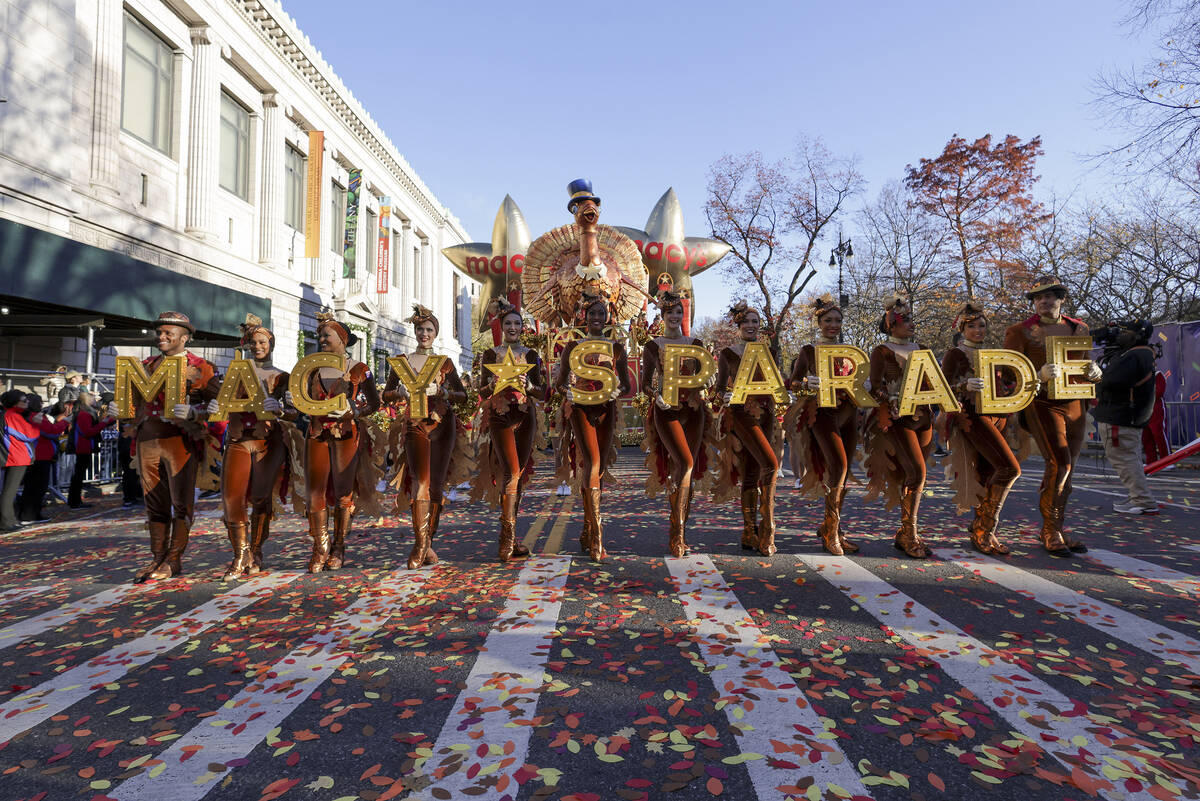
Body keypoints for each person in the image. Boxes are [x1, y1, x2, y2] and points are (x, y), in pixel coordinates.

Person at [106, 311, 221, 581]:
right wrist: (114, 408)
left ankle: (174, 559)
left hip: (181, 441)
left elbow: (220, 406)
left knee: (181, 503)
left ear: (185, 337)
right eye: (160, 332)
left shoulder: (202, 367)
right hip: (147, 440)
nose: (162, 337)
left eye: (169, 332)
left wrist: (195, 412)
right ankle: (157, 557)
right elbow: (130, 404)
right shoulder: (145, 366)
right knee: (154, 503)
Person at [1003, 275, 1102, 557]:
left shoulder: (1078, 327)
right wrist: (1036, 374)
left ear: (1061, 299)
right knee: (1059, 462)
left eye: (1049, 296)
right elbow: (1008, 372)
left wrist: (1095, 372)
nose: (1043, 301)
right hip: (1041, 402)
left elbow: (1082, 364)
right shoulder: (1018, 331)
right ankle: (1050, 531)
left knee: (1068, 467)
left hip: (1075, 403)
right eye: (1037, 298)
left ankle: (1055, 525)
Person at [291, 313, 382, 573]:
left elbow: (374, 404)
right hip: (318, 433)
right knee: (314, 491)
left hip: (346, 434)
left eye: (326, 335)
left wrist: (355, 410)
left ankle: (339, 547)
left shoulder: (359, 368)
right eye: (319, 335)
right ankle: (320, 548)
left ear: (342, 340)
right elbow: (302, 402)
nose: (321, 340)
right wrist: (291, 402)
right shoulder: (310, 369)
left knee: (343, 492)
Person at [206, 315, 293, 579]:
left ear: (271, 344)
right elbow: (217, 405)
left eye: (262, 342)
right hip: (237, 440)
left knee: (260, 497)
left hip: (268, 442)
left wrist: (281, 409)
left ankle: (256, 550)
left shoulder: (283, 377)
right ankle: (240, 554)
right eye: (253, 342)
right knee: (232, 497)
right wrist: (211, 409)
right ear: (246, 344)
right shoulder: (233, 375)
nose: (257, 346)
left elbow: (294, 414)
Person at [384, 305, 470, 570]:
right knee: (420, 482)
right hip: (414, 424)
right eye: (420, 329)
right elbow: (385, 395)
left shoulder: (445, 363)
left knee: (436, 486)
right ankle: (420, 545)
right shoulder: (402, 361)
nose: (424, 333)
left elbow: (463, 396)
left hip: (443, 425)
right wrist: (398, 392)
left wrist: (444, 394)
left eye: (429, 329)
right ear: (415, 331)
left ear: (436, 333)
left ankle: (428, 541)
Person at [553, 289, 630, 563]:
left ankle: (587, 527)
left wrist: (617, 390)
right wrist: (568, 393)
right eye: (592, 313)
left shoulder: (617, 348)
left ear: (608, 317)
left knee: (601, 467)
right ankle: (597, 536)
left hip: (606, 409)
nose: (597, 317)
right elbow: (559, 382)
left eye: (601, 313)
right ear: (583, 316)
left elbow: (628, 385)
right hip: (581, 410)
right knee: (593, 462)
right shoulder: (573, 348)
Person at [941, 303, 1023, 555]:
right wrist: (964, 386)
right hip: (972, 417)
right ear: (962, 328)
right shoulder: (955, 354)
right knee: (1010, 469)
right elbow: (941, 388)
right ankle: (984, 528)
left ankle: (982, 530)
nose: (978, 330)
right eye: (972, 326)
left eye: (982, 325)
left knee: (988, 474)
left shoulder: (993, 354)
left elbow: (1010, 383)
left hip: (998, 416)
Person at [471, 299, 545, 562]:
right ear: (501, 326)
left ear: (522, 327)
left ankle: (513, 538)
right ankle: (506, 539)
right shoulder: (491, 355)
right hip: (500, 416)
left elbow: (542, 392)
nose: (512, 327)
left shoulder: (532, 355)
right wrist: (490, 385)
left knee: (518, 475)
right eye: (508, 323)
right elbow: (480, 391)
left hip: (525, 417)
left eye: (517, 323)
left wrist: (529, 386)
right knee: (511, 471)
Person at [785, 295, 860, 555]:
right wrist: (806, 384)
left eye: (838, 320)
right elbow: (791, 382)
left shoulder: (850, 352)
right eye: (828, 320)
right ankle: (830, 531)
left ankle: (833, 527)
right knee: (837, 466)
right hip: (821, 412)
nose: (834, 325)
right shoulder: (808, 351)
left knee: (845, 470)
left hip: (849, 412)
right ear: (819, 322)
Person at [641, 288, 712, 557]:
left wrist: (709, 382)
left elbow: (704, 378)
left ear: (683, 315)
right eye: (670, 312)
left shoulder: (696, 345)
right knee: (685, 463)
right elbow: (646, 383)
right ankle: (677, 534)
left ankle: (679, 532)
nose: (674, 316)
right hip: (666, 409)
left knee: (686, 471)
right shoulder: (652, 346)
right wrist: (655, 396)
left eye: (678, 312)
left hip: (694, 410)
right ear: (662, 314)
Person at [862, 296, 935, 559]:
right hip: (896, 418)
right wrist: (889, 398)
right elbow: (875, 384)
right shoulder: (882, 350)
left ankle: (904, 531)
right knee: (918, 471)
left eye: (912, 319)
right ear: (891, 325)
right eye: (905, 321)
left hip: (923, 417)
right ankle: (910, 534)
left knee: (911, 477)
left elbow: (934, 381)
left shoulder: (923, 348)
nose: (911, 324)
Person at [713, 301, 782, 556]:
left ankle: (749, 531)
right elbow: (718, 389)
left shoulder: (769, 353)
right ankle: (767, 528)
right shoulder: (729, 354)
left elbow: (778, 384)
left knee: (753, 472)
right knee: (770, 464)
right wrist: (725, 397)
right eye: (747, 322)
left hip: (766, 415)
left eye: (755, 322)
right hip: (741, 414)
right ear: (738, 325)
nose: (752, 326)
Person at [1091, 319, 1159, 515]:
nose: (1120, 335)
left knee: (1125, 459)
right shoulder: (1142, 354)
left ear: (1137, 335)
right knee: (1131, 458)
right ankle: (1138, 496)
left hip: (1120, 417)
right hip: (1127, 416)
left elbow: (1110, 381)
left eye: (1125, 332)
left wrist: (1095, 375)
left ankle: (1143, 500)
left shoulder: (1134, 355)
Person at [20, 396, 69, 522]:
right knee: (38, 487)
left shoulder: (26, 416)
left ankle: (27, 513)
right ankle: (31, 514)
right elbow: (52, 431)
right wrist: (66, 421)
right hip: (41, 455)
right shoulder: (37, 417)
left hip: (33, 455)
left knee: (31, 486)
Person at [68, 390, 116, 509]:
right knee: (78, 475)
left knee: (79, 474)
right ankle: (75, 501)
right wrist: (104, 423)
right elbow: (87, 432)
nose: (96, 400)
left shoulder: (85, 413)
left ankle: (75, 500)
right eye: (93, 398)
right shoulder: (84, 414)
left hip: (84, 446)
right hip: (83, 446)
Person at [1, 391, 39, 532]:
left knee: (10, 490)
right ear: (14, 402)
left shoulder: (12, 415)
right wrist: (35, 424)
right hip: (16, 456)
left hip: (16, 455)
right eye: (24, 400)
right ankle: (6, 522)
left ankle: (10, 519)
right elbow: (29, 434)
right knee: (9, 491)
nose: (27, 402)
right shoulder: (12, 415)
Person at [1142, 369, 1170, 466]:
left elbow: (1158, 392)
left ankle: (1167, 460)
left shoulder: (1158, 375)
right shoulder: (1140, 377)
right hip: (1144, 411)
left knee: (1159, 435)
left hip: (1156, 410)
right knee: (1146, 437)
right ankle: (1151, 462)